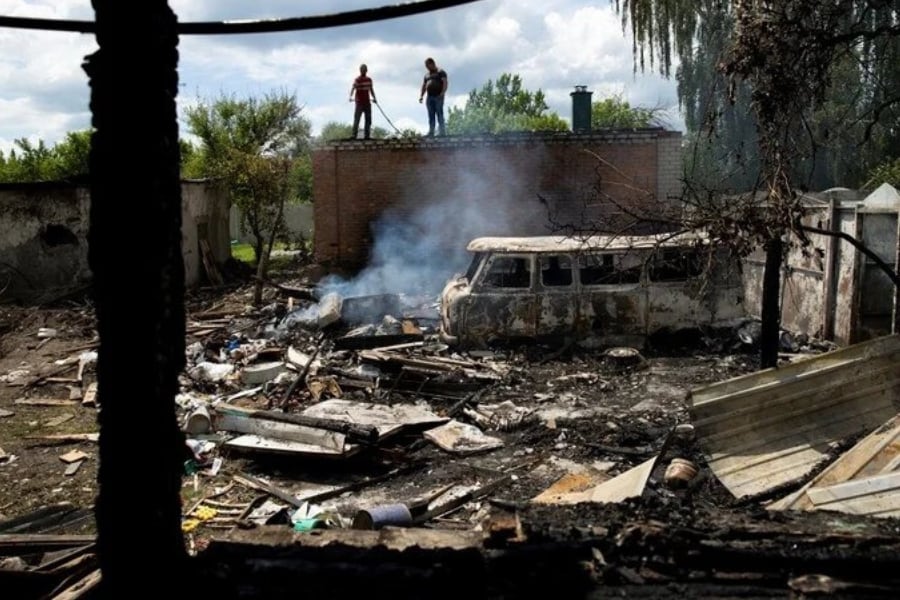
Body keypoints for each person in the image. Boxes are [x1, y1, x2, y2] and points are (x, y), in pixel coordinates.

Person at [418, 57, 447, 136]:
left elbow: (445, 83)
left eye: (428, 65)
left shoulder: (441, 72)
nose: (427, 67)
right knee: (431, 115)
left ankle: (442, 132)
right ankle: (431, 132)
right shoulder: (427, 75)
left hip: (438, 96)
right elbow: (424, 86)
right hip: (429, 97)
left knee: (439, 113)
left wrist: (442, 93)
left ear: (432, 63)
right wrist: (421, 96)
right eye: (426, 66)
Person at [349, 63, 376, 139]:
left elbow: (371, 90)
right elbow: (353, 88)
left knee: (368, 120)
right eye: (362, 70)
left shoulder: (369, 80)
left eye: (364, 70)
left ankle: (367, 135)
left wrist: (374, 98)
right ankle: (354, 135)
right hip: (359, 103)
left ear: (366, 70)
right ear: (360, 71)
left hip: (367, 103)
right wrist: (350, 96)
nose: (363, 71)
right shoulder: (357, 80)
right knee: (357, 119)